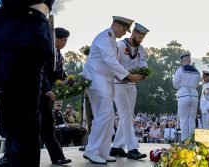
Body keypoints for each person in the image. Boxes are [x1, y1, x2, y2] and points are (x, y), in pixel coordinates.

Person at [0, 1, 57, 166]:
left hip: (25, 38)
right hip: (6, 41)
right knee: (9, 111)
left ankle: (23, 161)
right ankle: (12, 156)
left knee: (24, 113)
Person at [82, 16, 143, 164]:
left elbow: (111, 64)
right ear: (115, 25)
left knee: (108, 117)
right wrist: (128, 76)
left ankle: (102, 151)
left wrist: (124, 77)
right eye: (124, 29)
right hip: (96, 80)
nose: (125, 32)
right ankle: (92, 150)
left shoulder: (111, 40)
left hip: (104, 81)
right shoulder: (105, 38)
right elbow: (111, 61)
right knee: (105, 114)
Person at [110, 23, 148, 160]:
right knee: (125, 114)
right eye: (139, 36)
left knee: (128, 115)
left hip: (132, 84)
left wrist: (144, 73)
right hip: (118, 83)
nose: (141, 39)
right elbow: (113, 64)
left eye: (143, 37)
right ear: (133, 33)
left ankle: (116, 147)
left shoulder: (141, 48)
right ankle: (132, 148)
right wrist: (124, 75)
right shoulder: (120, 45)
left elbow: (143, 63)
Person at [38, 27, 71, 165]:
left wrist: (70, 81)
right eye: (62, 40)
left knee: (47, 127)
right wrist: (47, 90)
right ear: (54, 38)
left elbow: (58, 75)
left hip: (49, 97)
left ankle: (57, 157)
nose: (64, 43)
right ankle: (56, 157)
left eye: (66, 40)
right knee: (45, 127)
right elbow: (43, 74)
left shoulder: (59, 55)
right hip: (40, 95)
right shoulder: (46, 52)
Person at [173, 52, 200, 142]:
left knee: (184, 119)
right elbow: (196, 85)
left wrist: (182, 85)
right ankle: (192, 140)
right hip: (194, 95)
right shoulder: (197, 71)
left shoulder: (180, 70)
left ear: (181, 61)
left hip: (184, 95)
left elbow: (175, 84)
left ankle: (184, 140)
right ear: (190, 60)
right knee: (192, 119)